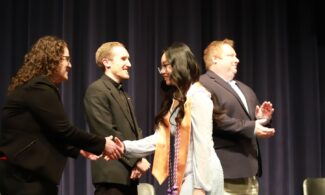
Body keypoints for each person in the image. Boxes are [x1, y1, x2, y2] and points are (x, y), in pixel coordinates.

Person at [0, 35, 124, 195]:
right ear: (52, 60)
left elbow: (48, 132)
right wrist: (102, 144)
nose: (70, 65)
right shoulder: (39, 87)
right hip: (23, 177)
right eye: (66, 59)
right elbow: (64, 130)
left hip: (26, 175)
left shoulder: (36, 87)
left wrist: (79, 149)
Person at [122, 43, 224, 195]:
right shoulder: (177, 100)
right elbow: (160, 140)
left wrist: (200, 188)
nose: (162, 71)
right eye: (161, 67)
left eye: (166, 66)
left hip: (202, 177)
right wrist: (123, 147)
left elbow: (203, 145)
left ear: (180, 65)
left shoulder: (198, 98)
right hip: (187, 176)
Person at [199, 38, 275, 195]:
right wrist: (252, 126)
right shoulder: (202, 83)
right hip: (225, 173)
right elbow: (216, 120)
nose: (237, 60)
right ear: (215, 59)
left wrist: (261, 119)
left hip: (250, 173)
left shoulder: (244, 88)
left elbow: (251, 124)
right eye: (231, 56)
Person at [83, 42, 150, 195]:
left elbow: (135, 131)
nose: (129, 64)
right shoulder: (97, 90)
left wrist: (139, 156)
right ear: (107, 62)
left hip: (129, 176)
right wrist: (137, 160)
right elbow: (106, 131)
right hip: (111, 178)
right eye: (123, 59)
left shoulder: (124, 94)